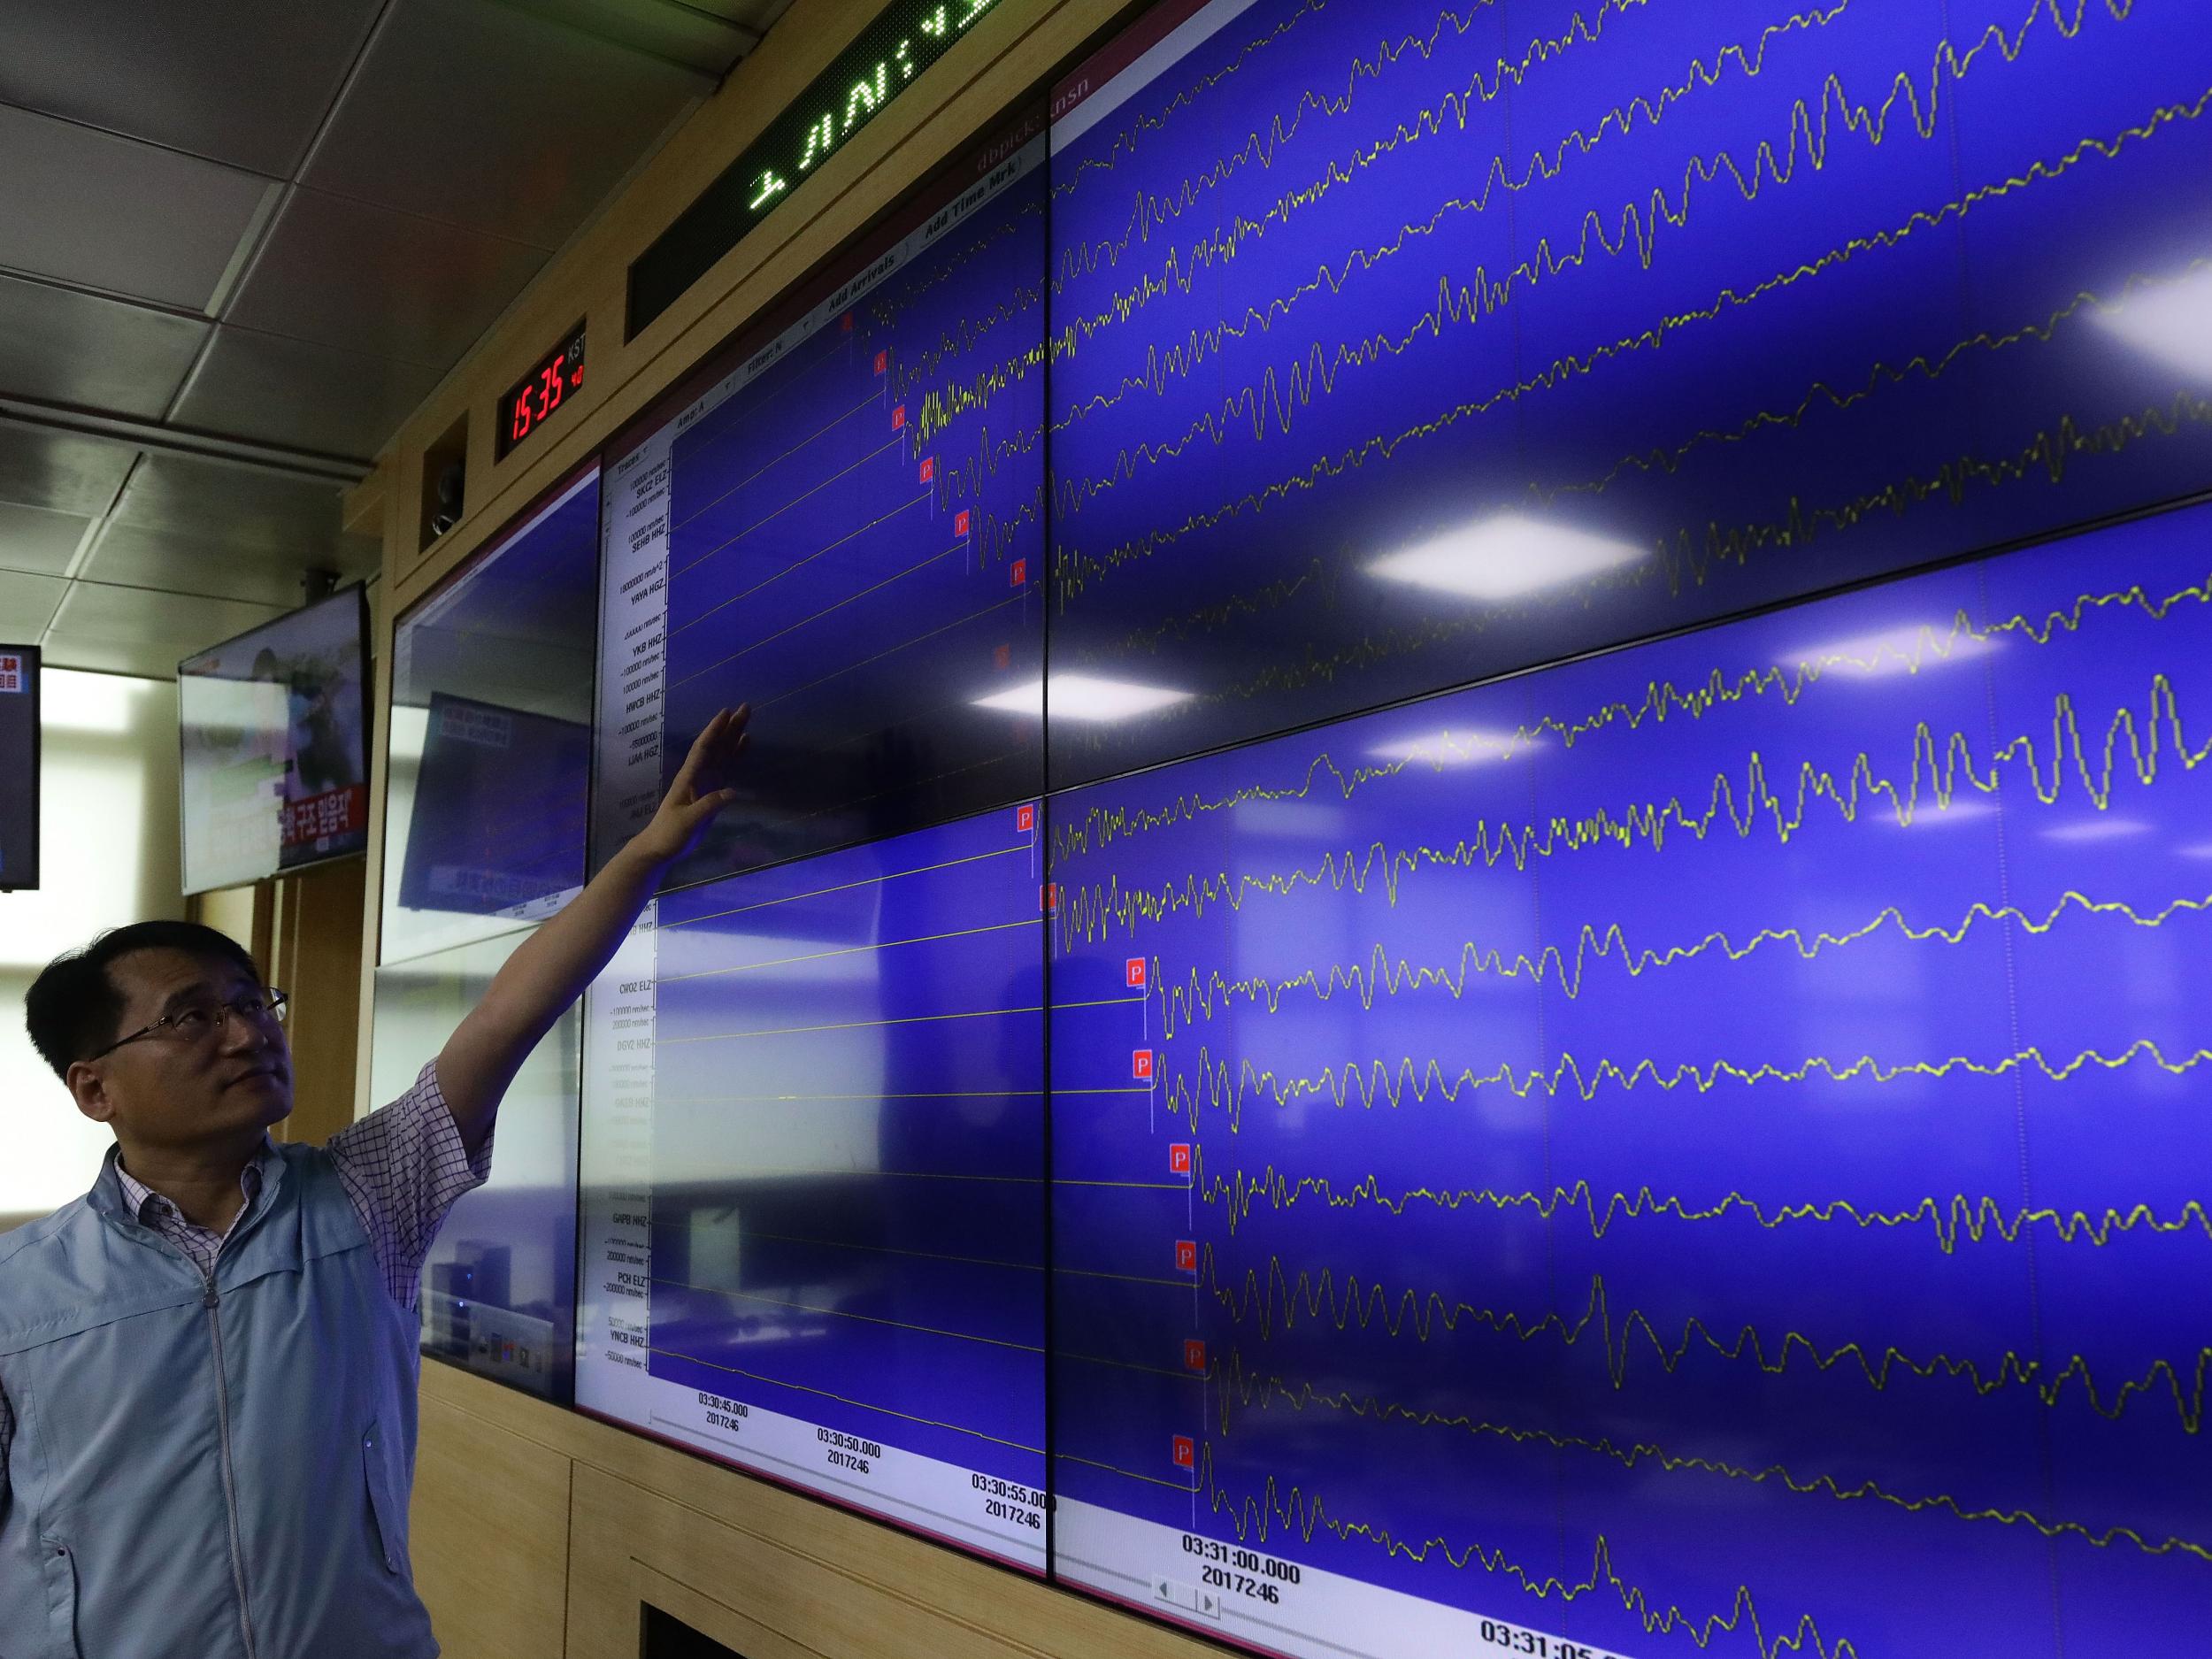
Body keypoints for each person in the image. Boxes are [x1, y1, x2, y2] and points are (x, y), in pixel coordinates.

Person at [0, 707, 750, 1659]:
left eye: (249, 1003)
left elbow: (506, 1019)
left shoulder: (365, 1196)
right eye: (191, 1017)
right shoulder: (18, 1292)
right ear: (94, 1087)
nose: (245, 1033)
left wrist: (643, 857)